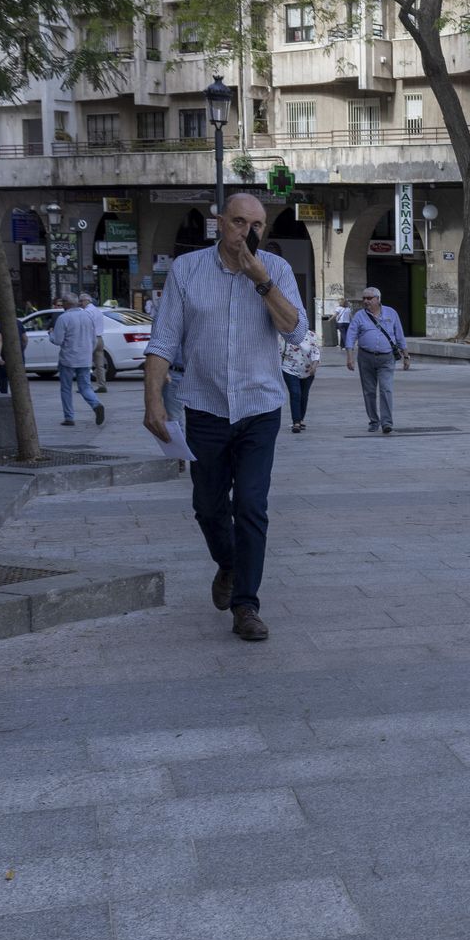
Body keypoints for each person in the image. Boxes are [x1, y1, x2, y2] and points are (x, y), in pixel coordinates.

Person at [144, 193, 309, 643]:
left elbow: (295, 331)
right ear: (220, 223)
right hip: (205, 407)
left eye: (257, 225)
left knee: (251, 507)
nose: (248, 233)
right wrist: (153, 401)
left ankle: (246, 605)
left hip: (260, 408)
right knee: (208, 507)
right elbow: (163, 341)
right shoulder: (188, 270)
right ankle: (230, 565)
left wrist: (261, 281)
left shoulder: (274, 270)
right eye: (239, 222)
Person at [345, 286, 408, 434]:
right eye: (364, 298)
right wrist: (350, 357)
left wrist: (406, 356)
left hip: (386, 358)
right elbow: (350, 336)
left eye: (369, 298)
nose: (366, 301)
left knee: (386, 389)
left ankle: (387, 423)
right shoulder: (359, 316)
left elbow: (399, 335)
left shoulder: (391, 313)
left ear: (378, 299)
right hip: (365, 357)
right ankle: (374, 421)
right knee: (369, 391)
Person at [48, 294, 104, 427]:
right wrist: (88, 352)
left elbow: (58, 340)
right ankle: (96, 404)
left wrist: (50, 334)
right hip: (84, 358)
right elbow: (93, 339)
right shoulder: (87, 317)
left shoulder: (63, 318)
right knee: (85, 386)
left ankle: (69, 417)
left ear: (66, 304)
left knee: (66, 388)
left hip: (68, 358)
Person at [281, 328, 321, 433]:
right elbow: (279, 350)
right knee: (295, 393)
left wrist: (314, 365)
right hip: (289, 368)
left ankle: (301, 419)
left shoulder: (311, 335)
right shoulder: (285, 334)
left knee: (304, 395)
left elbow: (315, 351)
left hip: (308, 370)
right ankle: (296, 422)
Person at [81, 292, 108, 392]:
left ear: (86, 301)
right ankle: (102, 385)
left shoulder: (86, 312)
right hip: (100, 339)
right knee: (100, 364)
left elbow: (85, 327)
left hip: (91, 339)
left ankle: (85, 386)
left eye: (81, 301)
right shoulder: (98, 311)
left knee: (85, 363)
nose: (80, 303)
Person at [0, 318, 25, 396]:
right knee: (18, 377)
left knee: (3, 377)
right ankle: (19, 395)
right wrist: (22, 350)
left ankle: (4, 395)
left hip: (5, 354)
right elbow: (25, 339)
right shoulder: (19, 323)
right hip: (18, 355)